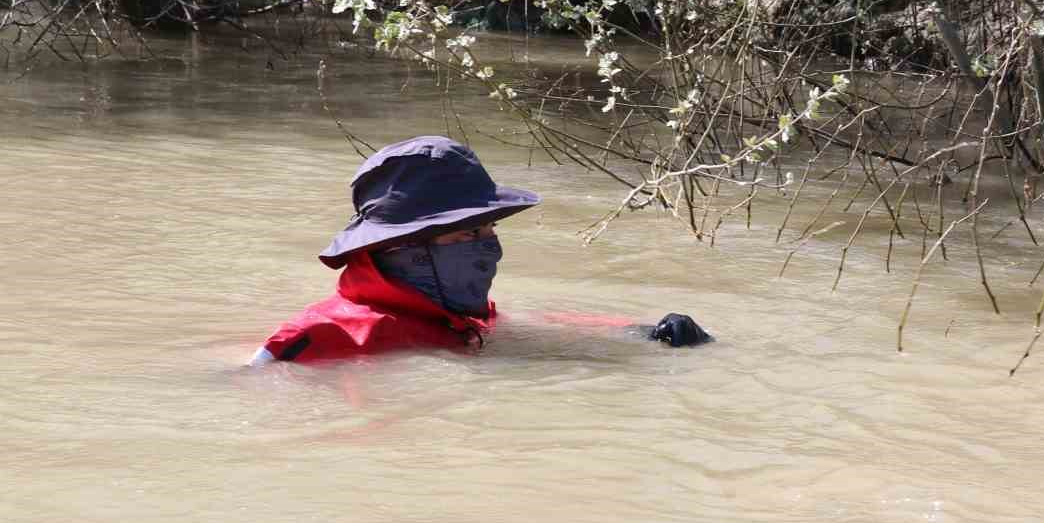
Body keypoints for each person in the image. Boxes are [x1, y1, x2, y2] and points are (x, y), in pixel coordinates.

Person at [250, 135, 711, 364]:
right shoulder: (325, 336)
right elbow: (249, 387)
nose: (490, 250)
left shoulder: (454, 312)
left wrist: (641, 331)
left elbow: (531, 327)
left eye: (489, 230)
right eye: (468, 234)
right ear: (404, 249)